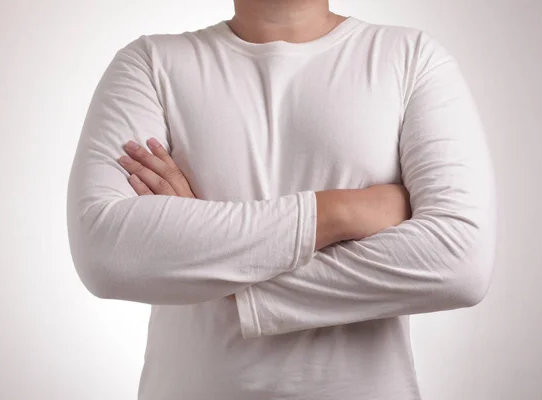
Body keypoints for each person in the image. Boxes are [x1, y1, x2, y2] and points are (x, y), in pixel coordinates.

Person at [66, 0, 497, 398]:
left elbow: (459, 260)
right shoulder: (149, 64)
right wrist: (343, 211)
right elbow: (106, 252)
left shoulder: (411, 57)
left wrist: (216, 268)